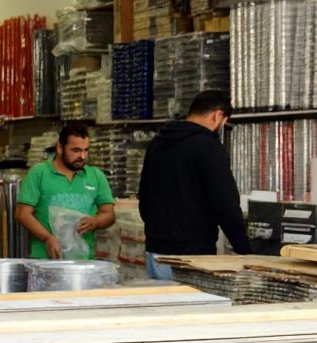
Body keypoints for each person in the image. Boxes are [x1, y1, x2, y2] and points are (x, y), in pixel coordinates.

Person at [137, 90, 251, 279]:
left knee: (161, 307)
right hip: (192, 256)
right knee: (192, 306)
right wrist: (246, 251)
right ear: (218, 115)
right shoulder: (209, 147)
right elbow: (225, 204)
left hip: (156, 251)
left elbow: (145, 198)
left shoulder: (158, 143)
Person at [14, 121, 116, 259]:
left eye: (86, 150)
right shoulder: (39, 173)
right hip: (46, 262)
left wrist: (96, 221)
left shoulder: (96, 176)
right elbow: (22, 214)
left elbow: (108, 214)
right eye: (76, 150)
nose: (83, 157)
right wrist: (47, 238)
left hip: (85, 262)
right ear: (60, 148)